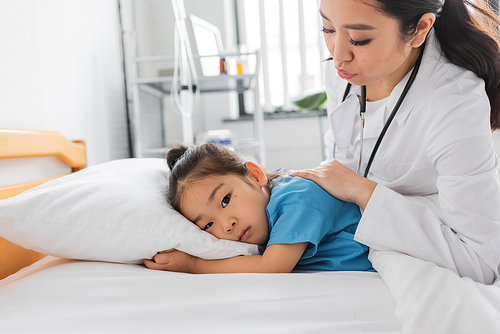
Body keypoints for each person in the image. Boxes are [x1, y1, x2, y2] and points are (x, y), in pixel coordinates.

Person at [292, 0, 500, 284]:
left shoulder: (456, 103)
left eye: (359, 39)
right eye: (327, 28)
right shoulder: (342, 75)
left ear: (420, 29)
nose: (338, 55)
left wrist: (360, 190)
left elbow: (481, 261)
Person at [143, 143, 373, 274]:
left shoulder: (298, 198)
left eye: (225, 200)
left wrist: (193, 264)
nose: (227, 225)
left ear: (255, 175)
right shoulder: (265, 206)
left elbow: (272, 266)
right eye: (208, 225)